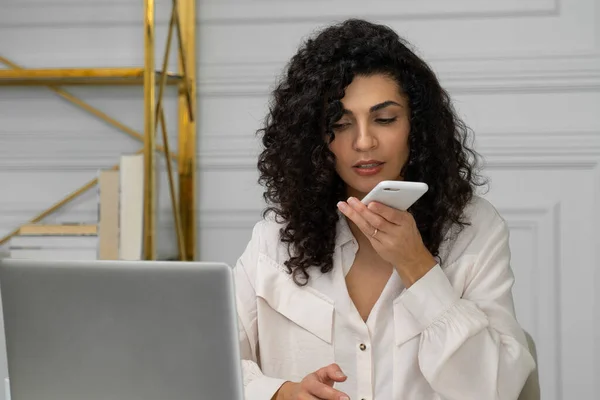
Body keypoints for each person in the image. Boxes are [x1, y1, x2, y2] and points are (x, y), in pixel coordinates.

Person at [233, 18, 536, 400]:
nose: (364, 141)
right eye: (340, 124)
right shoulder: (274, 241)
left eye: (385, 119)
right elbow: (210, 364)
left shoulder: (472, 228)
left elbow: (499, 389)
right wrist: (280, 393)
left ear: (416, 126)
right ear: (314, 137)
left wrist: (418, 267)